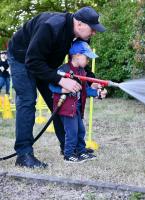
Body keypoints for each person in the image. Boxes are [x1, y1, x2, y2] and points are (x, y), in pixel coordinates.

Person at [7, 6, 106, 168]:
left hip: (45, 63)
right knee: (27, 100)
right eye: (92, 29)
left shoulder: (82, 36)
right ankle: (24, 155)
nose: (94, 33)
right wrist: (60, 81)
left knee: (62, 100)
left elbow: (79, 60)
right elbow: (32, 61)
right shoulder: (51, 26)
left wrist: (91, 80)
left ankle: (69, 147)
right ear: (79, 23)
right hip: (22, 58)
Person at [49, 41, 107, 163]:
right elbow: (50, 85)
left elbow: (85, 90)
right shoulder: (63, 70)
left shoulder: (82, 71)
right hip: (65, 108)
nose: (88, 61)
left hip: (76, 108)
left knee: (81, 130)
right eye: (87, 57)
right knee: (72, 132)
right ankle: (68, 155)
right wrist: (62, 89)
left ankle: (81, 151)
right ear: (76, 55)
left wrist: (97, 93)